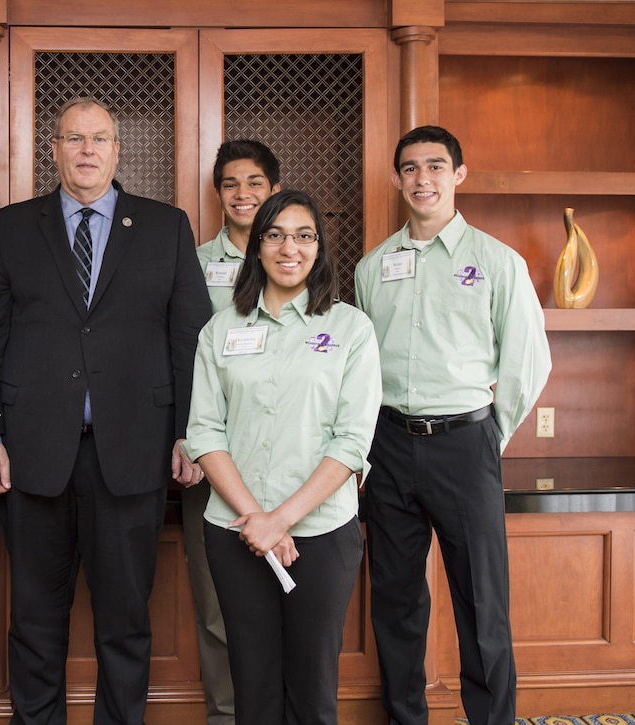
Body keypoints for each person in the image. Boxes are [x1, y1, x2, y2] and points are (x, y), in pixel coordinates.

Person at [0, 96, 212, 725]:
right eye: (73, 139)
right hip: (31, 453)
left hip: (134, 450)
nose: (86, 151)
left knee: (126, 621)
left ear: (116, 149)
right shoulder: (10, 227)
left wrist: (190, 434)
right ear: (52, 149)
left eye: (99, 139)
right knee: (33, 620)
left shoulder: (166, 226)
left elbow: (188, 338)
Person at [354, 125, 551, 725]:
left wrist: (492, 434)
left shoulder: (496, 262)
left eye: (436, 167)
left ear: (458, 175)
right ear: (397, 179)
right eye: (411, 168)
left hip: (466, 444)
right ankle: (404, 717)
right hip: (387, 446)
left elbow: (526, 360)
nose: (423, 179)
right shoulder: (372, 267)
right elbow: (358, 367)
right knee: (394, 599)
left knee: (482, 600)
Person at [185, 189, 382, 725]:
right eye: (274, 234)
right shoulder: (220, 329)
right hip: (234, 532)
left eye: (303, 235)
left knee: (313, 686)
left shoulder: (350, 329)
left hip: (321, 532)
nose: (288, 247)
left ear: (319, 247)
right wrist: (258, 519)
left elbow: (351, 440)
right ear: (257, 246)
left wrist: (281, 520)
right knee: (253, 683)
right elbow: (205, 432)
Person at [187, 139, 281, 725]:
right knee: (218, 609)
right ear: (218, 194)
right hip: (214, 461)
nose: (242, 194)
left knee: (293, 605)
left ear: (273, 188)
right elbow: (179, 360)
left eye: (253, 183)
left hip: (292, 464)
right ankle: (228, 716)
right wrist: (185, 440)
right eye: (230, 184)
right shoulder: (193, 263)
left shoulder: (306, 261)